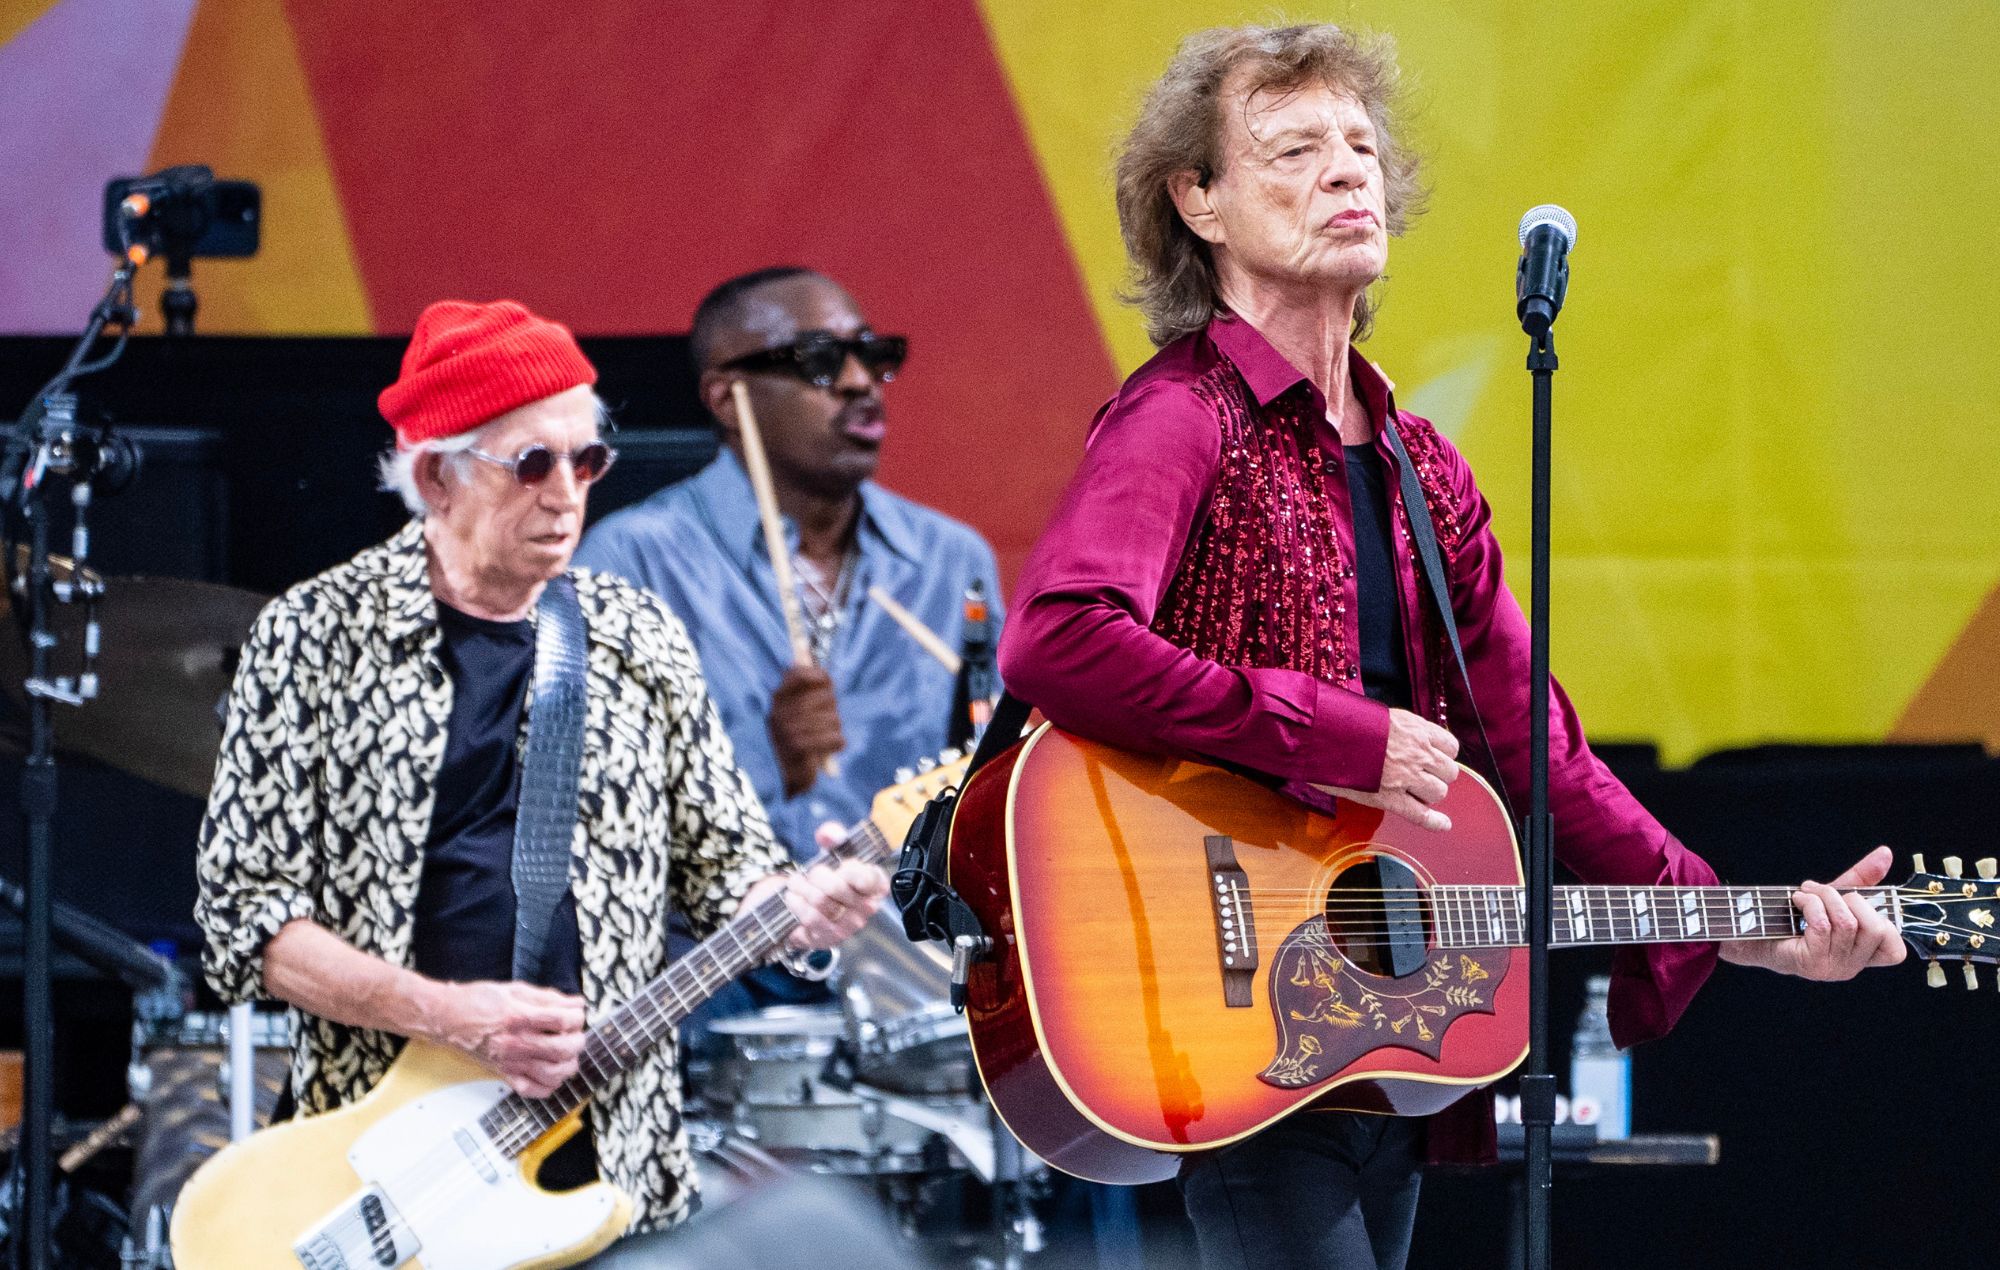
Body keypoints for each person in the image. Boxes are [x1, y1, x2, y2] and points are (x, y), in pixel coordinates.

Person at [995, 24, 1905, 1270]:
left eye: (1361, 147)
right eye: (1295, 148)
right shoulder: (1178, 414)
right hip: (1221, 996)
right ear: (1194, 200)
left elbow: (1538, 746)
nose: (1346, 172)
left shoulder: (1420, 465)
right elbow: (1057, 638)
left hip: (1370, 1021)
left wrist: (1727, 920)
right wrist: (1333, 734)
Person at [193, 298, 889, 1255]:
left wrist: (802, 910)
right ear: (436, 476)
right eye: (532, 463)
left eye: (587, 459)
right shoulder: (314, 637)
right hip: (383, 1163)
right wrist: (448, 1015)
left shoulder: (637, 634)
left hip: (610, 1158)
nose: (568, 493)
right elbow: (246, 920)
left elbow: (731, 874)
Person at [577, 267, 1002, 1024]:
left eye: (874, 356)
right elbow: (594, 817)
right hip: (710, 992)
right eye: (817, 361)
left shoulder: (949, 561)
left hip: (913, 988)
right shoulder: (630, 561)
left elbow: (993, 782)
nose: (858, 382)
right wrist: (771, 767)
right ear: (725, 398)